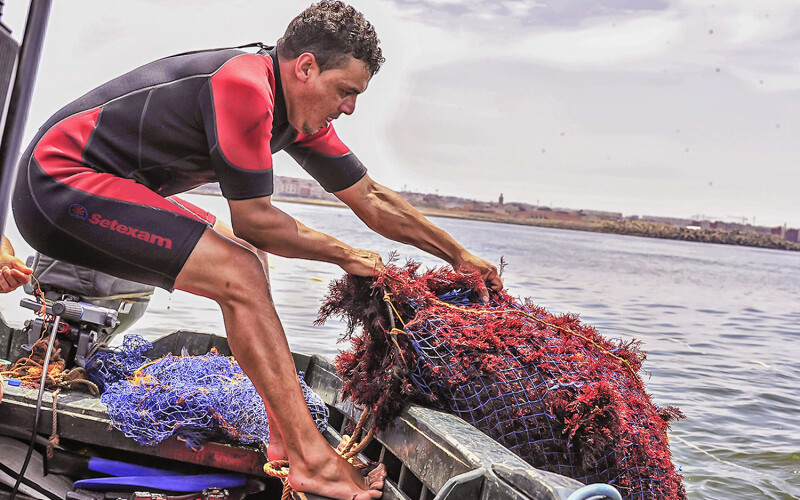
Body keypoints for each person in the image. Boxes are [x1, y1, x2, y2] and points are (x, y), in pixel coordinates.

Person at [12, 2, 502, 498]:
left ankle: (283, 437)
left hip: (97, 187)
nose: (349, 108)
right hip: (56, 184)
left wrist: (458, 256)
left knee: (247, 260)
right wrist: (344, 253)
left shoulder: (295, 110)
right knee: (241, 268)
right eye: (345, 91)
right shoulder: (244, 85)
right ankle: (313, 461)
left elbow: (370, 197)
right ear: (305, 67)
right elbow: (257, 220)